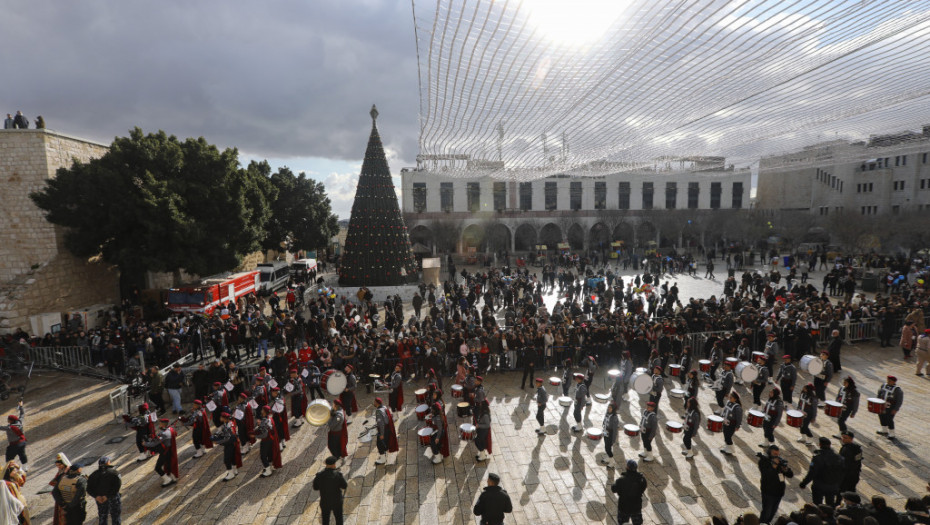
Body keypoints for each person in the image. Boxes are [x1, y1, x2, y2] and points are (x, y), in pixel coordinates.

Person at [799, 436, 845, 507]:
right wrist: (837, 484)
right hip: (833, 485)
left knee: (817, 505)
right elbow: (842, 473)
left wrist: (804, 483)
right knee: (830, 504)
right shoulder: (839, 457)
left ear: (820, 445)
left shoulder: (817, 457)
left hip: (819, 485)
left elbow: (812, 472)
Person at [757, 445, 793, 524]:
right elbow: (766, 475)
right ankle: (763, 523)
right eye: (774, 453)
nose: (776, 455)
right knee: (767, 511)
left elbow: (790, 474)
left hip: (779, 492)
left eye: (777, 454)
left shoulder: (780, 461)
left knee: (773, 511)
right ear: (770, 452)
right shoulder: (763, 461)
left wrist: (785, 470)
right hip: (768, 492)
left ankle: (768, 522)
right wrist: (773, 467)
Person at [86, 456, 121, 525]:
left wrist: (96, 496)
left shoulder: (93, 475)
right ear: (108, 462)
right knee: (115, 516)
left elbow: (88, 488)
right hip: (113, 498)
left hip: (100, 499)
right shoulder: (114, 473)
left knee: (102, 516)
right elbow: (117, 487)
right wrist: (107, 496)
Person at [611, 459, 648, 525]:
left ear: (627, 467)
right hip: (636, 506)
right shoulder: (642, 479)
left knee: (623, 523)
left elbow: (614, 489)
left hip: (624, 507)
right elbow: (643, 488)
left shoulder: (621, 480)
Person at [313, 456, 348, 525]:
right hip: (337, 501)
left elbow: (315, 488)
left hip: (325, 502)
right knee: (339, 519)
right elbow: (344, 486)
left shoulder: (319, 476)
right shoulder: (338, 475)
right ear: (333, 465)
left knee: (325, 521)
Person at [144, 418, 179, 487]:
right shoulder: (170, 429)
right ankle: (173, 478)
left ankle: (167, 480)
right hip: (169, 451)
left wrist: (145, 443)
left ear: (163, 424)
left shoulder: (163, 434)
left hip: (164, 452)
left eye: (160, 423)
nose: (159, 424)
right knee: (169, 465)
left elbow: (154, 443)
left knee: (158, 468)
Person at [212, 411, 242, 481]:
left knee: (227, 459)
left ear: (224, 418)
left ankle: (231, 474)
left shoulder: (228, 426)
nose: (220, 418)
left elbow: (227, 438)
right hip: (233, 443)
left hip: (230, 444)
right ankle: (234, 471)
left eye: (221, 417)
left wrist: (217, 441)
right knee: (232, 458)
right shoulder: (229, 423)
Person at [255, 405, 282, 477]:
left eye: (262, 410)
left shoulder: (264, 421)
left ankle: (268, 470)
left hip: (266, 441)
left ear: (264, 411)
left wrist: (255, 436)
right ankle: (270, 466)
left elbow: (264, 434)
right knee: (269, 453)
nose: (261, 411)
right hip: (271, 439)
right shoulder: (270, 419)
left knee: (263, 455)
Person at [0, 403, 27, 472]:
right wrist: (21, 406)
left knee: (9, 457)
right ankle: (25, 467)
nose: (8, 420)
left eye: (8, 419)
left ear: (11, 421)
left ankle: (11, 470)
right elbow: (22, 414)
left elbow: (1, 427)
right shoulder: (20, 422)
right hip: (22, 442)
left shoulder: (9, 428)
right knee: (22, 454)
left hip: (14, 445)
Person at [875, 375, 903, 440]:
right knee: (881, 417)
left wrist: (896, 409)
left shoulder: (897, 390)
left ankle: (892, 433)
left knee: (889, 419)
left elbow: (899, 401)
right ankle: (884, 430)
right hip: (882, 405)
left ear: (894, 382)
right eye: (888, 380)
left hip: (891, 407)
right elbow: (879, 394)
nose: (888, 382)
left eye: (890, 381)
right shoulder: (883, 385)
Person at [373, 397, 399, 465]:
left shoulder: (378, 411)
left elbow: (381, 424)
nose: (374, 403)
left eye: (374, 402)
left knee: (379, 444)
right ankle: (384, 454)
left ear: (377, 403)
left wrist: (381, 434)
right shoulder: (384, 407)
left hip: (383, 430)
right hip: (387, 429)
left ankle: (383, 459)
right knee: (385, 442)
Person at [719, 391, 743, 456]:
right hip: (725, 422)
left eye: (731, 397)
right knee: (725, 434)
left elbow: (739, 418)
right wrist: (722, 417)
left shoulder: (737, 408)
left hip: (731, 425)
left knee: (728, 437)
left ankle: (731, 449)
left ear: (735, 399)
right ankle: (727, 448)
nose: (730, 397)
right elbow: (725, 410)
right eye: (730, 396)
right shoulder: (728, 402)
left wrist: (737, 426)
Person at [50, 453, 70, 525]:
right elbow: (56, 480)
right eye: (57, 466)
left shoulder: (69, 470)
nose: (58, 467)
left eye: (59, 465)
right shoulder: (61, 471)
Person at [327, 400, 349, 464]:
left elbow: (331, 425)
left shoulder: (339, 416)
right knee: (333, 446)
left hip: (336, 434)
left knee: (335, 447)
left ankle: (338, 457)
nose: (332, 405)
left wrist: (329, 418)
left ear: (336, 406)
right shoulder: (337, 410)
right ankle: (338, 456)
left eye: (333, 404)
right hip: (334, 433)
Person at [601, 401, 620, 467]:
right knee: (606, 446)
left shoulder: (614, 418)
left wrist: (613, 439)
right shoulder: (607, 414)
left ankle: (612, 461)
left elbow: (615, 430)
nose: (608, 409)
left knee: (608, 448)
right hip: (606, 431)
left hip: (610, 434)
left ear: (613, 409)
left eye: (610, 408)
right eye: (608, 407)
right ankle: (608, 458)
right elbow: (605, 421)